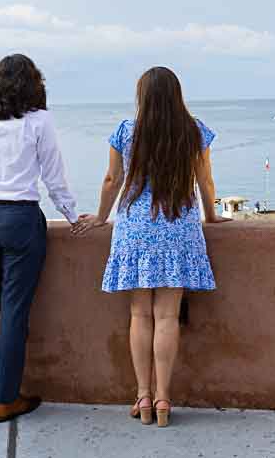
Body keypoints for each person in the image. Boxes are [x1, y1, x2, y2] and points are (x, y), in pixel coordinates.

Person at [72, 66, 230, 427]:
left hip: (136, 230)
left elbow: (113, 179)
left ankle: (142, 394)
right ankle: (163, 399)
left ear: (142, 96)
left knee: (140, 315)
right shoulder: (193, 131)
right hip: (179, 227)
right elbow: (204, 179)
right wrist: (212, 216)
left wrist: (100, 216)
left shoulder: (127, 132)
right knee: (167, 317)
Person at [0, 54, 79, 426]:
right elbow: (54, 175)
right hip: (21, 219)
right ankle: (7, 399)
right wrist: (72, 215)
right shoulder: (39, 121)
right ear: (34, 84)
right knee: (13, 311)